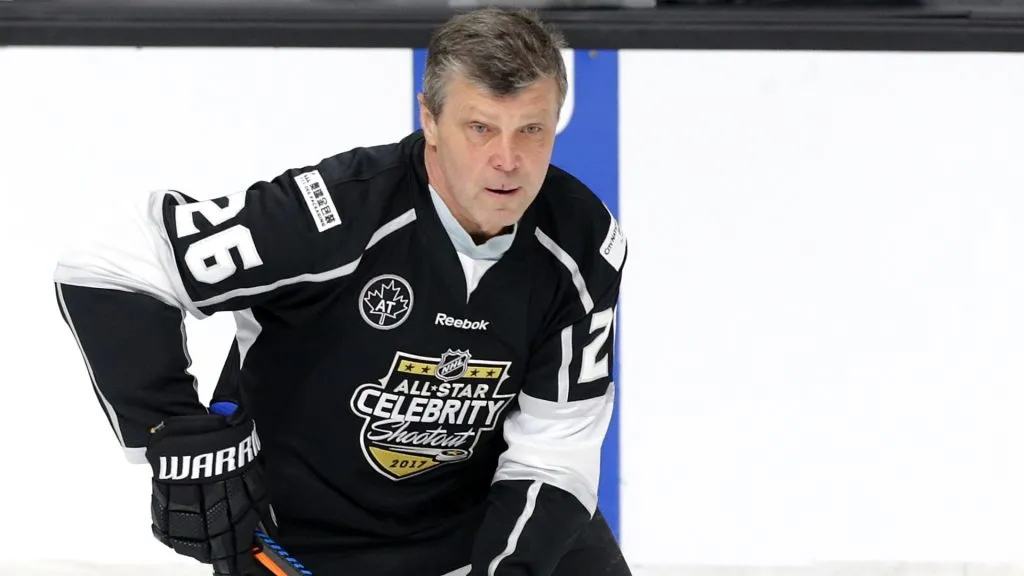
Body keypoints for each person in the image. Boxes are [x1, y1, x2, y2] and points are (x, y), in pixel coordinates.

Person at [53, 7, 630, 576]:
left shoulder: (581, 241)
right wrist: (171, 430)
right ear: (429, 120)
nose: (507, 160)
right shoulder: (331, 215)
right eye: (479, 128)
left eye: (531, 129)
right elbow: (110, 260)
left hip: (478, 531)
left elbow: (555, 451)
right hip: (305, 546)